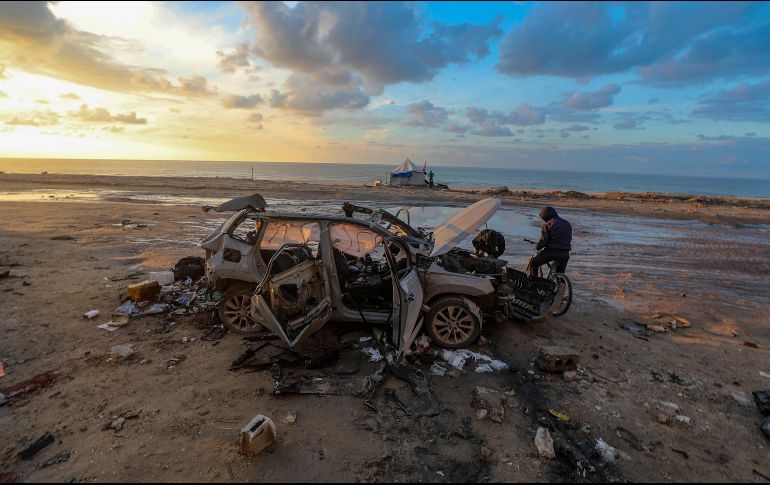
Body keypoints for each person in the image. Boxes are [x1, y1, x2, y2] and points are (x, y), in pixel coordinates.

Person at [527, 206, 572, 279]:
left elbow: (544, 241)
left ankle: (533, 284)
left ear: (546, 216)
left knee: (534, 263)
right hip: (565, 253)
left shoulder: (548, 224)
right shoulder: (567, 223)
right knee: (559, 274)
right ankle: (562, 287)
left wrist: (538, 247)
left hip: (552, 252)